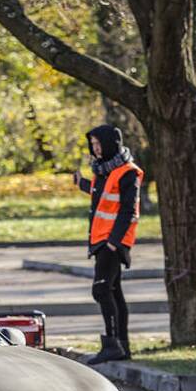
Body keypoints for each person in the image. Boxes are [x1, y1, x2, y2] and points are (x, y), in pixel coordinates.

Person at [73, 124, 142, 364]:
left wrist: (114, 243)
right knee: (114, 292)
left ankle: (112, 345)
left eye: (99, 144)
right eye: (93, 145)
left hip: (112, 241)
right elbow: (98, 193)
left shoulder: (127, 172)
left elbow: (128, 209)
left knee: (101, 290)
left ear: (112, 143)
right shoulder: (103, 171)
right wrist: (80, 183)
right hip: (101, 240)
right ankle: (122, 346)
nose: (96, 149)